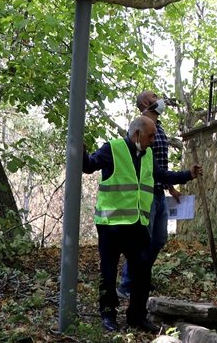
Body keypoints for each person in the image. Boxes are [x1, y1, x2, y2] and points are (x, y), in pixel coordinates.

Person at [118, 90, 200, 299]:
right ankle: (127, 284)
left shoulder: (158, 128)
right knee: (142, 242)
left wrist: (171, 188)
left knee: (159, 240)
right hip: (146, 195)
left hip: (160, 192)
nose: (159, 99)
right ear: (146, 102)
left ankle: (141, 277)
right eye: (155, 96)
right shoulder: (140, 129)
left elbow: (161, 165)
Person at [83, 115, 160, 333]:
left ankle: (137, 317)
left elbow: (161, 175)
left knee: (143, 271)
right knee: (108, 272)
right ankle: (108, 315)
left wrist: (187, 175)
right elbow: (88, 166)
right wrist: (80, 147)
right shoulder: (113, 148)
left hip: (136, 224)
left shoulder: (148, 154)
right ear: (137, 133)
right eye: (150, 136)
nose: (153, 140)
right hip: (111, 225)